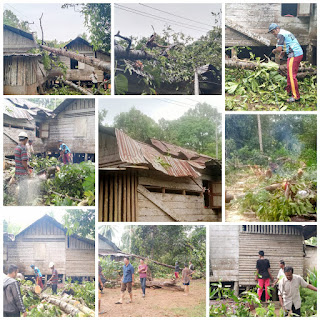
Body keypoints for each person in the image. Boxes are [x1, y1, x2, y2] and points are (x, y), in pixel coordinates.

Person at [268, 23, 303, 103]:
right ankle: (288, 89)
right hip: (296, 53)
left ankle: (295, 97)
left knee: (291, 76)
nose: (273, 34)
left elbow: (279, 49)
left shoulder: (280, 34)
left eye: (273, 32)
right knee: (289, 73)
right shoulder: (285, 32)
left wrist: (275, 51)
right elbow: (290, 43)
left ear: (277, 28)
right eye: (271, 33)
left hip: (294, 55)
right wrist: (284, 52)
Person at [14, 132, 31, 205]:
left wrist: (28, 166)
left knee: (21, 189)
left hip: (18, 172)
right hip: (22, 173)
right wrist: (28, 171)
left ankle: (20, 202)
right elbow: (24, 162)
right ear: (26, 139)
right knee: (24, 190)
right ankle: (22, 203)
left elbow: (19, 160)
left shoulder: (17, 147)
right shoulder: (23, 148)